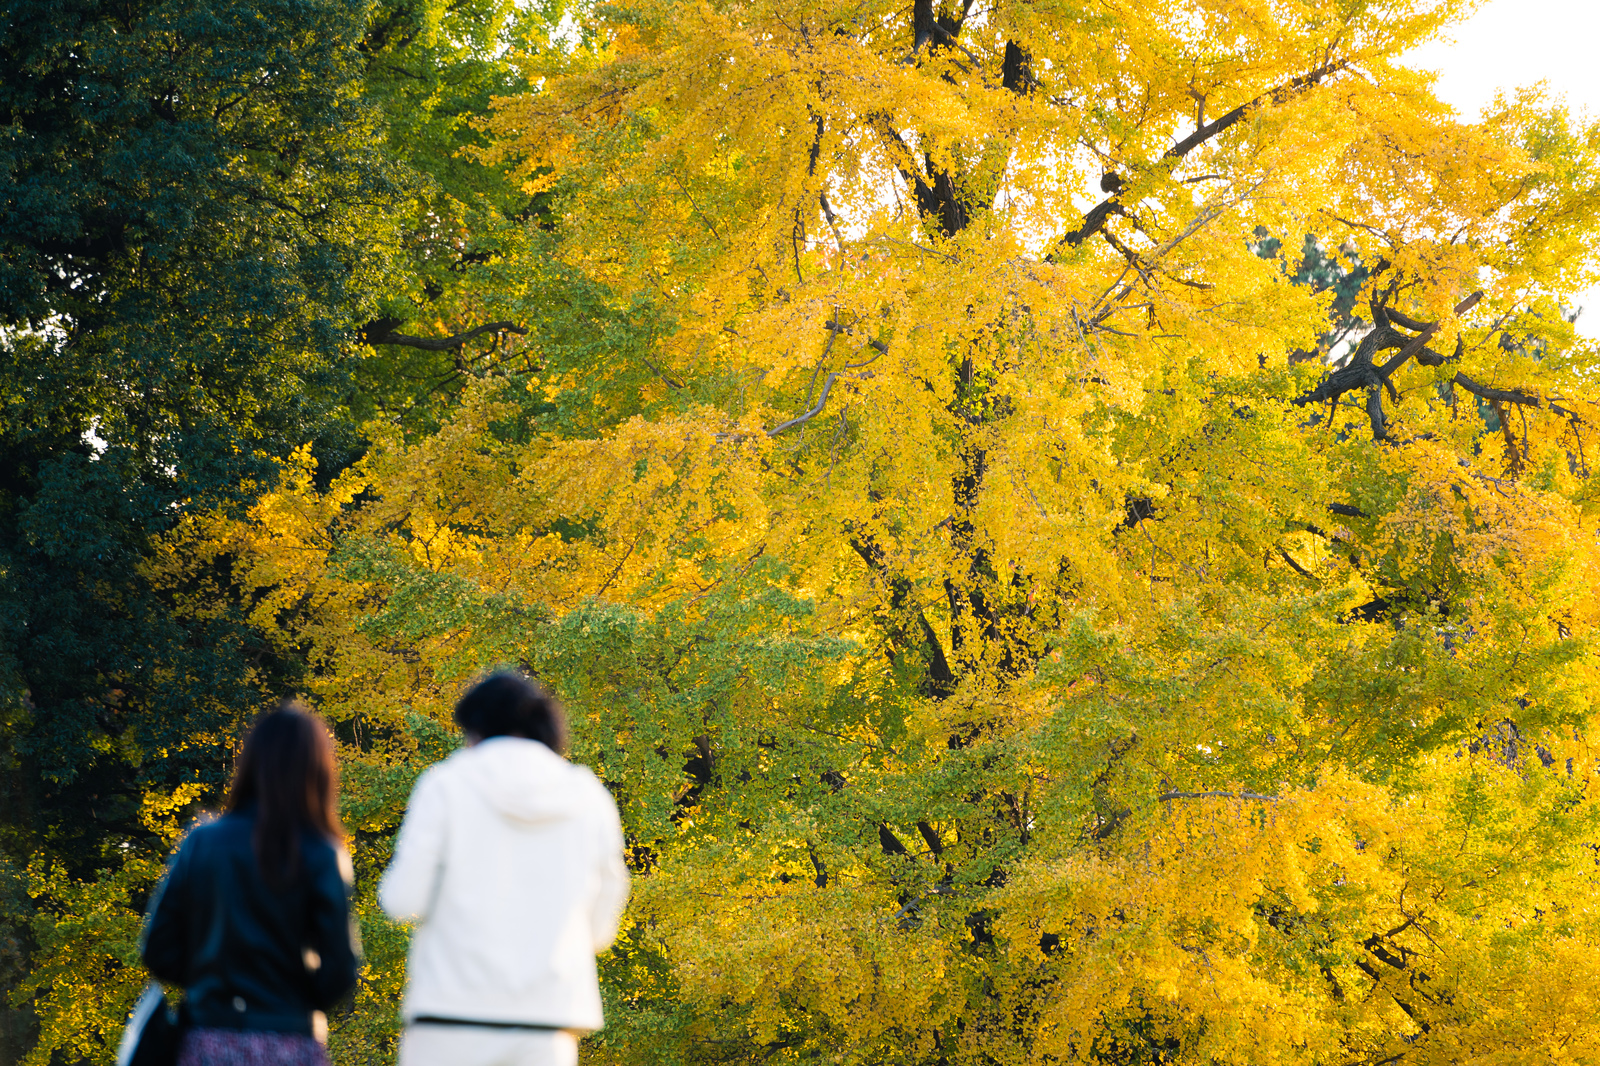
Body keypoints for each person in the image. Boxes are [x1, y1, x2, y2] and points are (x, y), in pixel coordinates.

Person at [381, 672, 630, 1066]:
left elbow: (402, 900)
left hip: (450, 1013)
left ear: (474, 729)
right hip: (546, 1020)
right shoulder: (588, 795)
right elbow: (605, 912)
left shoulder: (446, 785)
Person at [143, 701, 361, 1066]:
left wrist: (208, 985)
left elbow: (158, 949)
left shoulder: (202, 842)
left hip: (208, 1036)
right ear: (319, 769)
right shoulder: (322, 853)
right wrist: (293, 1001)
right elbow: (339, 970)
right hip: (290, 1041)